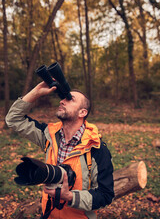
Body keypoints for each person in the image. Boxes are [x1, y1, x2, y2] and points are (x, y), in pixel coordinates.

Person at [5, 81, 114, 219]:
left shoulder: (97, 149)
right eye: (63, 98)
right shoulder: (48, 135)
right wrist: (35, 92)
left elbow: (105, 195)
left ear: (82, 112)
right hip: (48, 214)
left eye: (70, 99)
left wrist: (69, 196)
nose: (62, 101)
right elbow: (13, 119)